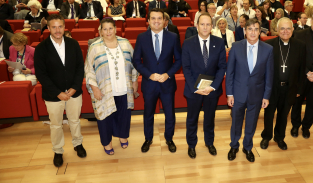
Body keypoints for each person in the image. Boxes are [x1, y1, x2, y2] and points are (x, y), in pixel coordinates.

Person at [34, 14, 86, 167]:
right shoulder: (41, 48)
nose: (57, 30)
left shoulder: (73, 44)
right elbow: (41, 74)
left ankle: (78, 143)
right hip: (53, 94)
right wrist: (58, 92)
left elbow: (80, 68)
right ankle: (58, 150)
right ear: (48, 28)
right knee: (56, 124)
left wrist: (74, 87)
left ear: (64, 27)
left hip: (73, 92)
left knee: (74, 120)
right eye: (54, 27)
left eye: (60, 26)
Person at [85, 18, 138, 155]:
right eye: (105, 29)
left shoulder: (125, 44)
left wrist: (134, 81)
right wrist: (94, 88)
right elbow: (89, 70)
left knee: (123, 115)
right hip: (105, 89)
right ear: (100, 31)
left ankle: (122, 136)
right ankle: (107, 143)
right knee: (105, 118)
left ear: (115, 29)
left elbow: (134, 64)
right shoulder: (94, 47)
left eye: (110, 28)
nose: (108, 32)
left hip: (124, 88)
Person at [133, 9, 182, 153]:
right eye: (153, 18)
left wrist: (168, 74)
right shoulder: (141, 37)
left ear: (164, 21)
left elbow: (179, 60)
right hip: (149, 83)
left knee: (170, 114)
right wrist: (149, 75)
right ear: (148, 21)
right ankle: (148, 139)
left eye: (159, 18)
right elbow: (136, 61)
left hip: (167, 82)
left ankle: (169, 139)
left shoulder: (173, 37)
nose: (156, 21)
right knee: (148, 113)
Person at [226, 18, 274, 162]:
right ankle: (234, 145)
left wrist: (266, 96)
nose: (253, 32)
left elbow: (269, 75)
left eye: (256, 29)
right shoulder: (235, 46)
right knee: (236, 122)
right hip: (238, 93)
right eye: (250, 29)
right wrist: (229, 93)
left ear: (260, 31)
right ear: (244, 31)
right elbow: (230, 73)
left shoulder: (268, 49)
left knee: (252, 123)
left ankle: (247, 147)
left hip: (257, 94)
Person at [182, 13, 226, 159]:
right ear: (197, 25)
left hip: (211, 90)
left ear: (212, 27)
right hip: (194, 90)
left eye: (208, 24)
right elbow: (186, 68)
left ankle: (209, 142)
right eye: (202, 24)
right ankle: (192, 145)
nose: (205, 27)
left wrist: (212, 87)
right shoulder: (188, 43)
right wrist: (196, 88)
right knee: (192, 119)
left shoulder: (219, 42)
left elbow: (221, 67)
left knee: (209, 118)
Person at [260, 17, 306, 151]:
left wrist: (299, 89)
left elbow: (302, 69)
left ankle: (279, 137)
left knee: (283, 114)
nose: (285, 31)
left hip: (290, 88)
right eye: (282, 28)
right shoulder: (269, 45)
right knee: (269, 114)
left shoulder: (300, 46)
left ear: (292, 30)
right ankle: (266, 136)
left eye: (288, 28)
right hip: (272, 88)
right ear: (277, 30)